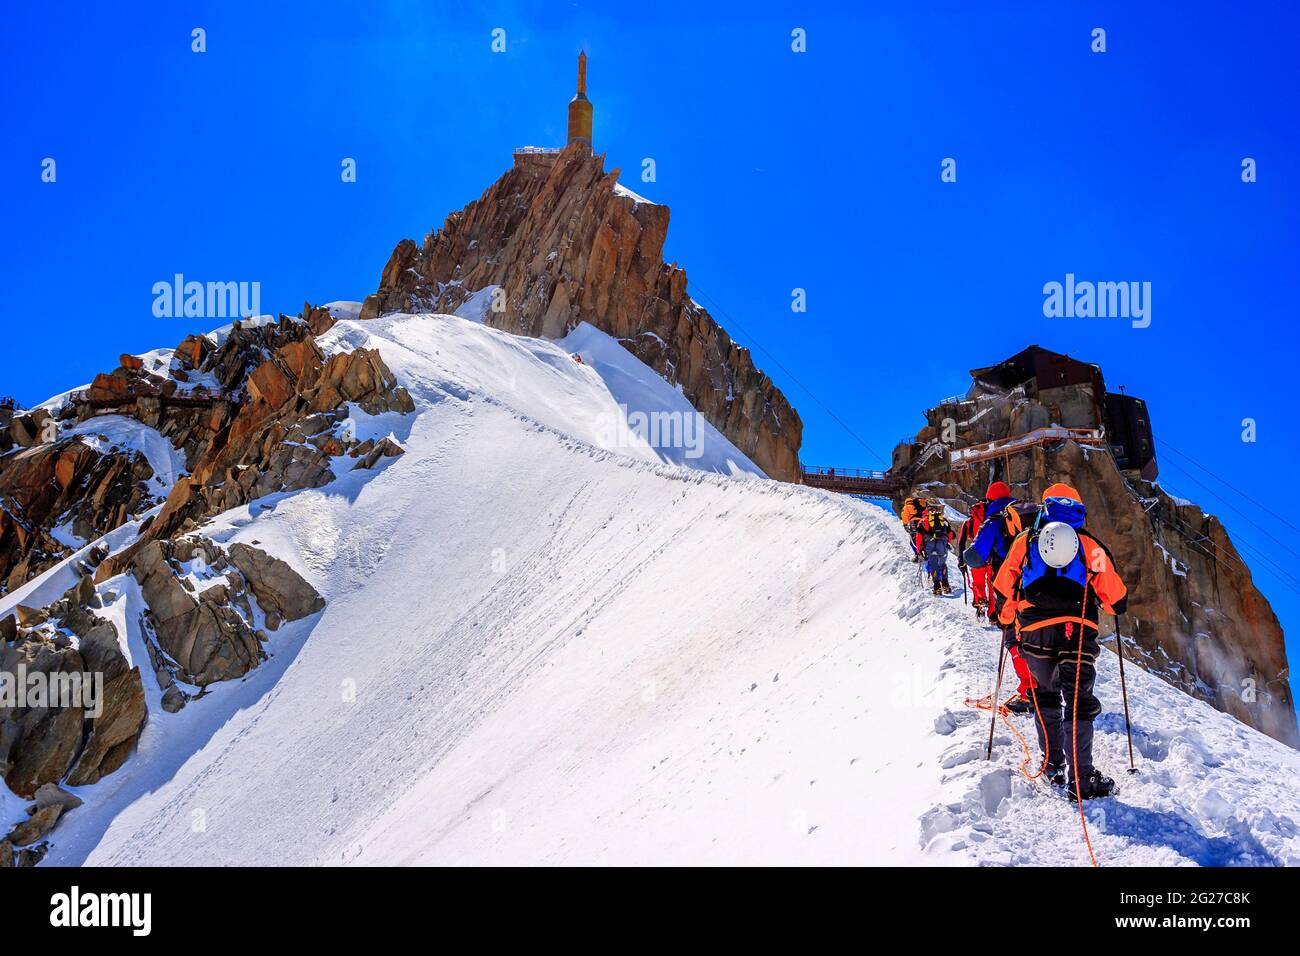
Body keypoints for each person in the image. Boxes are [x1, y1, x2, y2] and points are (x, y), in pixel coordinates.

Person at [992, 483, 1128, 799]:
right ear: (1078, 511)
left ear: (1045, 508)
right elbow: (1116, 601)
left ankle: (1052, 765)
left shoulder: (1026, 541)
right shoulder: (1090, 545)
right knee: (1078, 699)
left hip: (1034, 630)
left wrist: (1007, 619)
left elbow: (1004, 590)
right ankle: (1082, 779)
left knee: (1045, 694)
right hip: (1077, 629)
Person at [962, 480, 1037, 713]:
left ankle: (1030, 693)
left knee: (1014, 640)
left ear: (989, 500)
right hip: (1038, 587)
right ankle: (1046, 688)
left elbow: (975, 557)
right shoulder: (1032, 517)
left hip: (1009, 591)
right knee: (1037, 638)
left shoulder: (993, 521)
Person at [956, 498, 989, 614]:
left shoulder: (969, 522)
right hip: (993, 555)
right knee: (992, 582)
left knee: (978, 582)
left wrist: (961, 559)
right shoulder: (993, 517)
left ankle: (980, 601)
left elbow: (961, 541)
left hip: (977, 554)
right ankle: (995, 613)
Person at [918, 502, 954, 595]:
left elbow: (919, 537)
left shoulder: (923, 521)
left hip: (930, 545)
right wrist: (947, 543)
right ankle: (946, 586)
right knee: (942, 564)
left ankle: (937, 588)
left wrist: (919, 549)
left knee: (933, 565)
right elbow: (950, 534)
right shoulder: (943, 520)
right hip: (942, 545)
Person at [900, 495, 925, 562]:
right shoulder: (918, 506)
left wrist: (905, 525)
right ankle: (926, 554)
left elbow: (904, 515)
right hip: (922, 523)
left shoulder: (907, 507)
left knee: (913, 540)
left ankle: (918, 555)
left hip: (914, 522)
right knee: (923, 538)